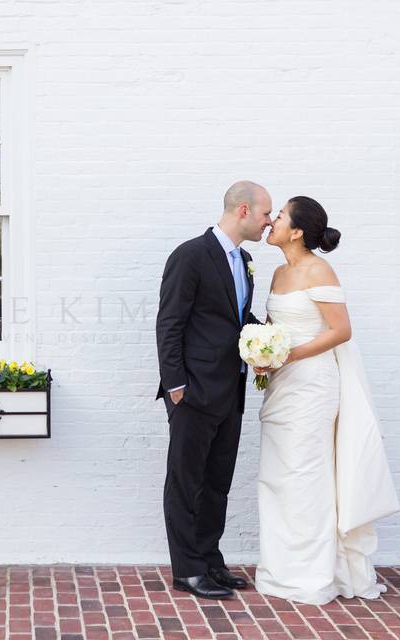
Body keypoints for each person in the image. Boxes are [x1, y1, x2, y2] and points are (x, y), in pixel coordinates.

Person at [254, 196, 400, 604]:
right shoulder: (279, 274)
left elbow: (341, 330)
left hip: (313, 386)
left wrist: (288, 355)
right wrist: (261, 354)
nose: (272, 221)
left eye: (279, 216)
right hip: (282, 385)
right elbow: (272, 328)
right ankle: (280, 569)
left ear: (297, 230)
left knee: (306, 476)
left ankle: (311, 574)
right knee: (278, 476)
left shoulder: (319, 269)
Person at [156, 180, 272, 599]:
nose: (268, 222)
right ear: (243, 210)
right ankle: (187, 570)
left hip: (231, 390)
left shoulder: (245, 259)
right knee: (186, 481)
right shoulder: (190, 255)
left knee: (217, 482)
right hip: (193, 392)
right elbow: (169, 323)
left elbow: (235, 319)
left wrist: (270, 338)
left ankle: (209, 560)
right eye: (264, 214)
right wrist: (176, 387)